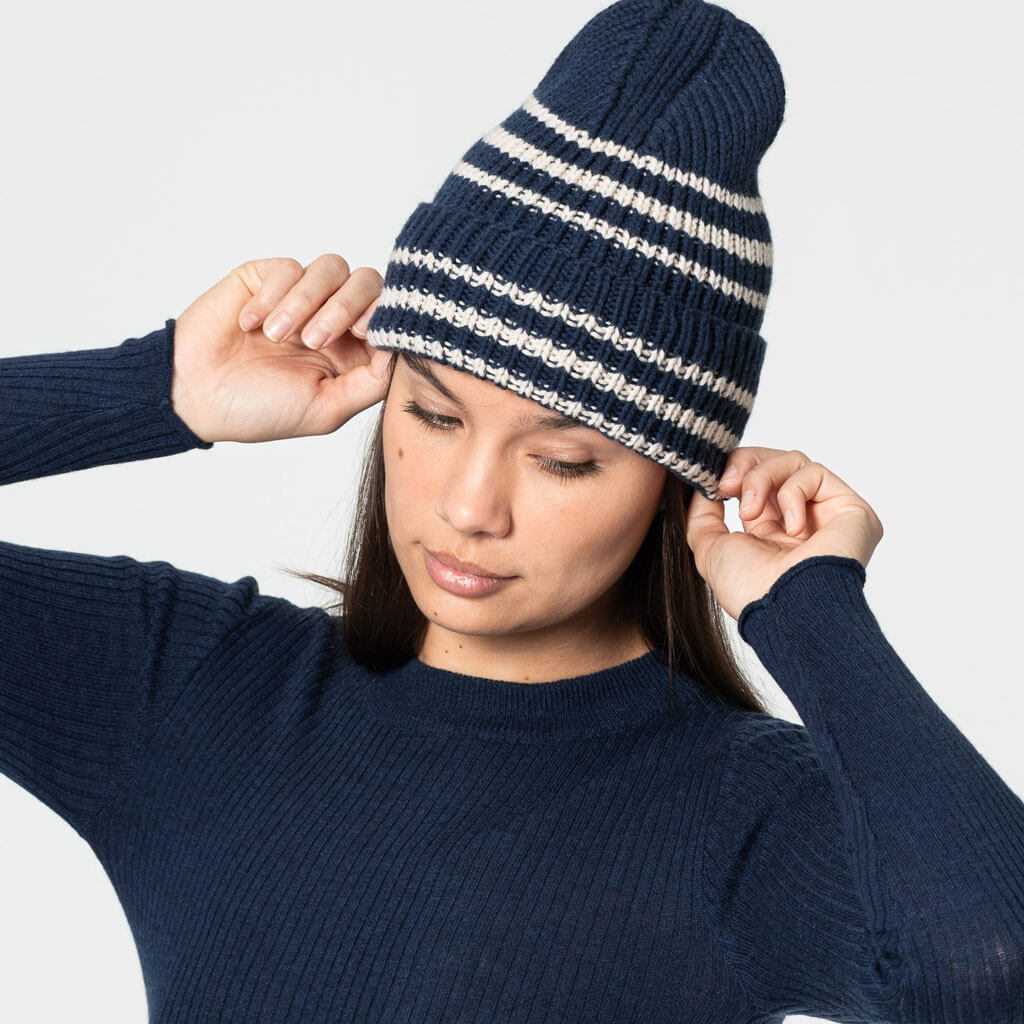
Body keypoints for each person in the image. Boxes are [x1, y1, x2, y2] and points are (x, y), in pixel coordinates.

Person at [2, 1, 1023, 1023]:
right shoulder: (195, 692)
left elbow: (990, 970)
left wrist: (810, 609)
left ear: (675, 484)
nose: (467, 505)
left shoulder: (737, 823)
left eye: (565, 461)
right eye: (436, 415)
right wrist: (153, 388)